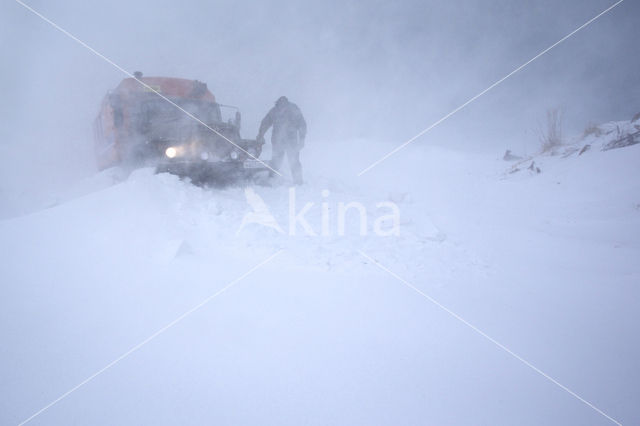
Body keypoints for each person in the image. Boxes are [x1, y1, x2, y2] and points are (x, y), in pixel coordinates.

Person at [257, 96, 307, 185]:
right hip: (280, 141)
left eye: (283, 105)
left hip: (289, 141)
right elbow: (265, 122)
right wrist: (260, 134)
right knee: (278, 160)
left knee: (292, 160)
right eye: (280, 105)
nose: (282, 107)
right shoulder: (276, 110)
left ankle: (297, 181)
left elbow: (302, 124)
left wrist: (302, 139)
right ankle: (273, 179)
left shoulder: (289, 110)